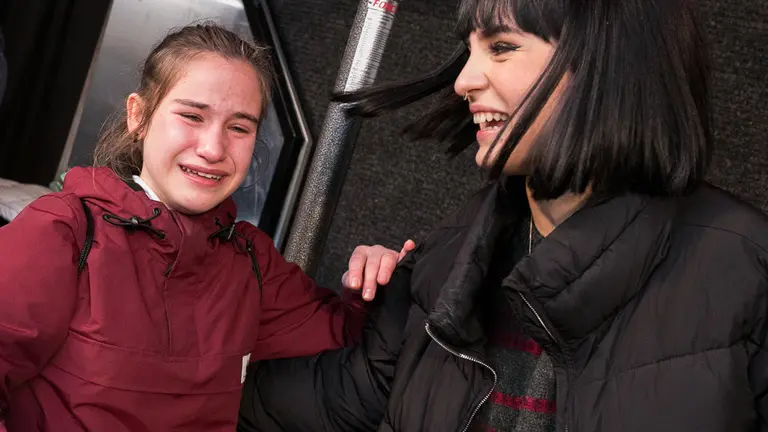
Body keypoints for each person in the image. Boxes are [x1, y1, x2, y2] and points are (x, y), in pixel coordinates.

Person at [240, 0, 768, 431]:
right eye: (469, 52)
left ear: (605, 64)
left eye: (502, 47)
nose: (464, 80)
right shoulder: (443, 261)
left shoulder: (746, 270)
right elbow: (322, 403)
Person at [0, 23, 410, 432]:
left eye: (239, 127)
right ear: (138, 116)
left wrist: (371, 284)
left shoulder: (251, 262)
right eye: (192, 116)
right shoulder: (62, 231)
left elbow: (345, 340)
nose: (213, 149)